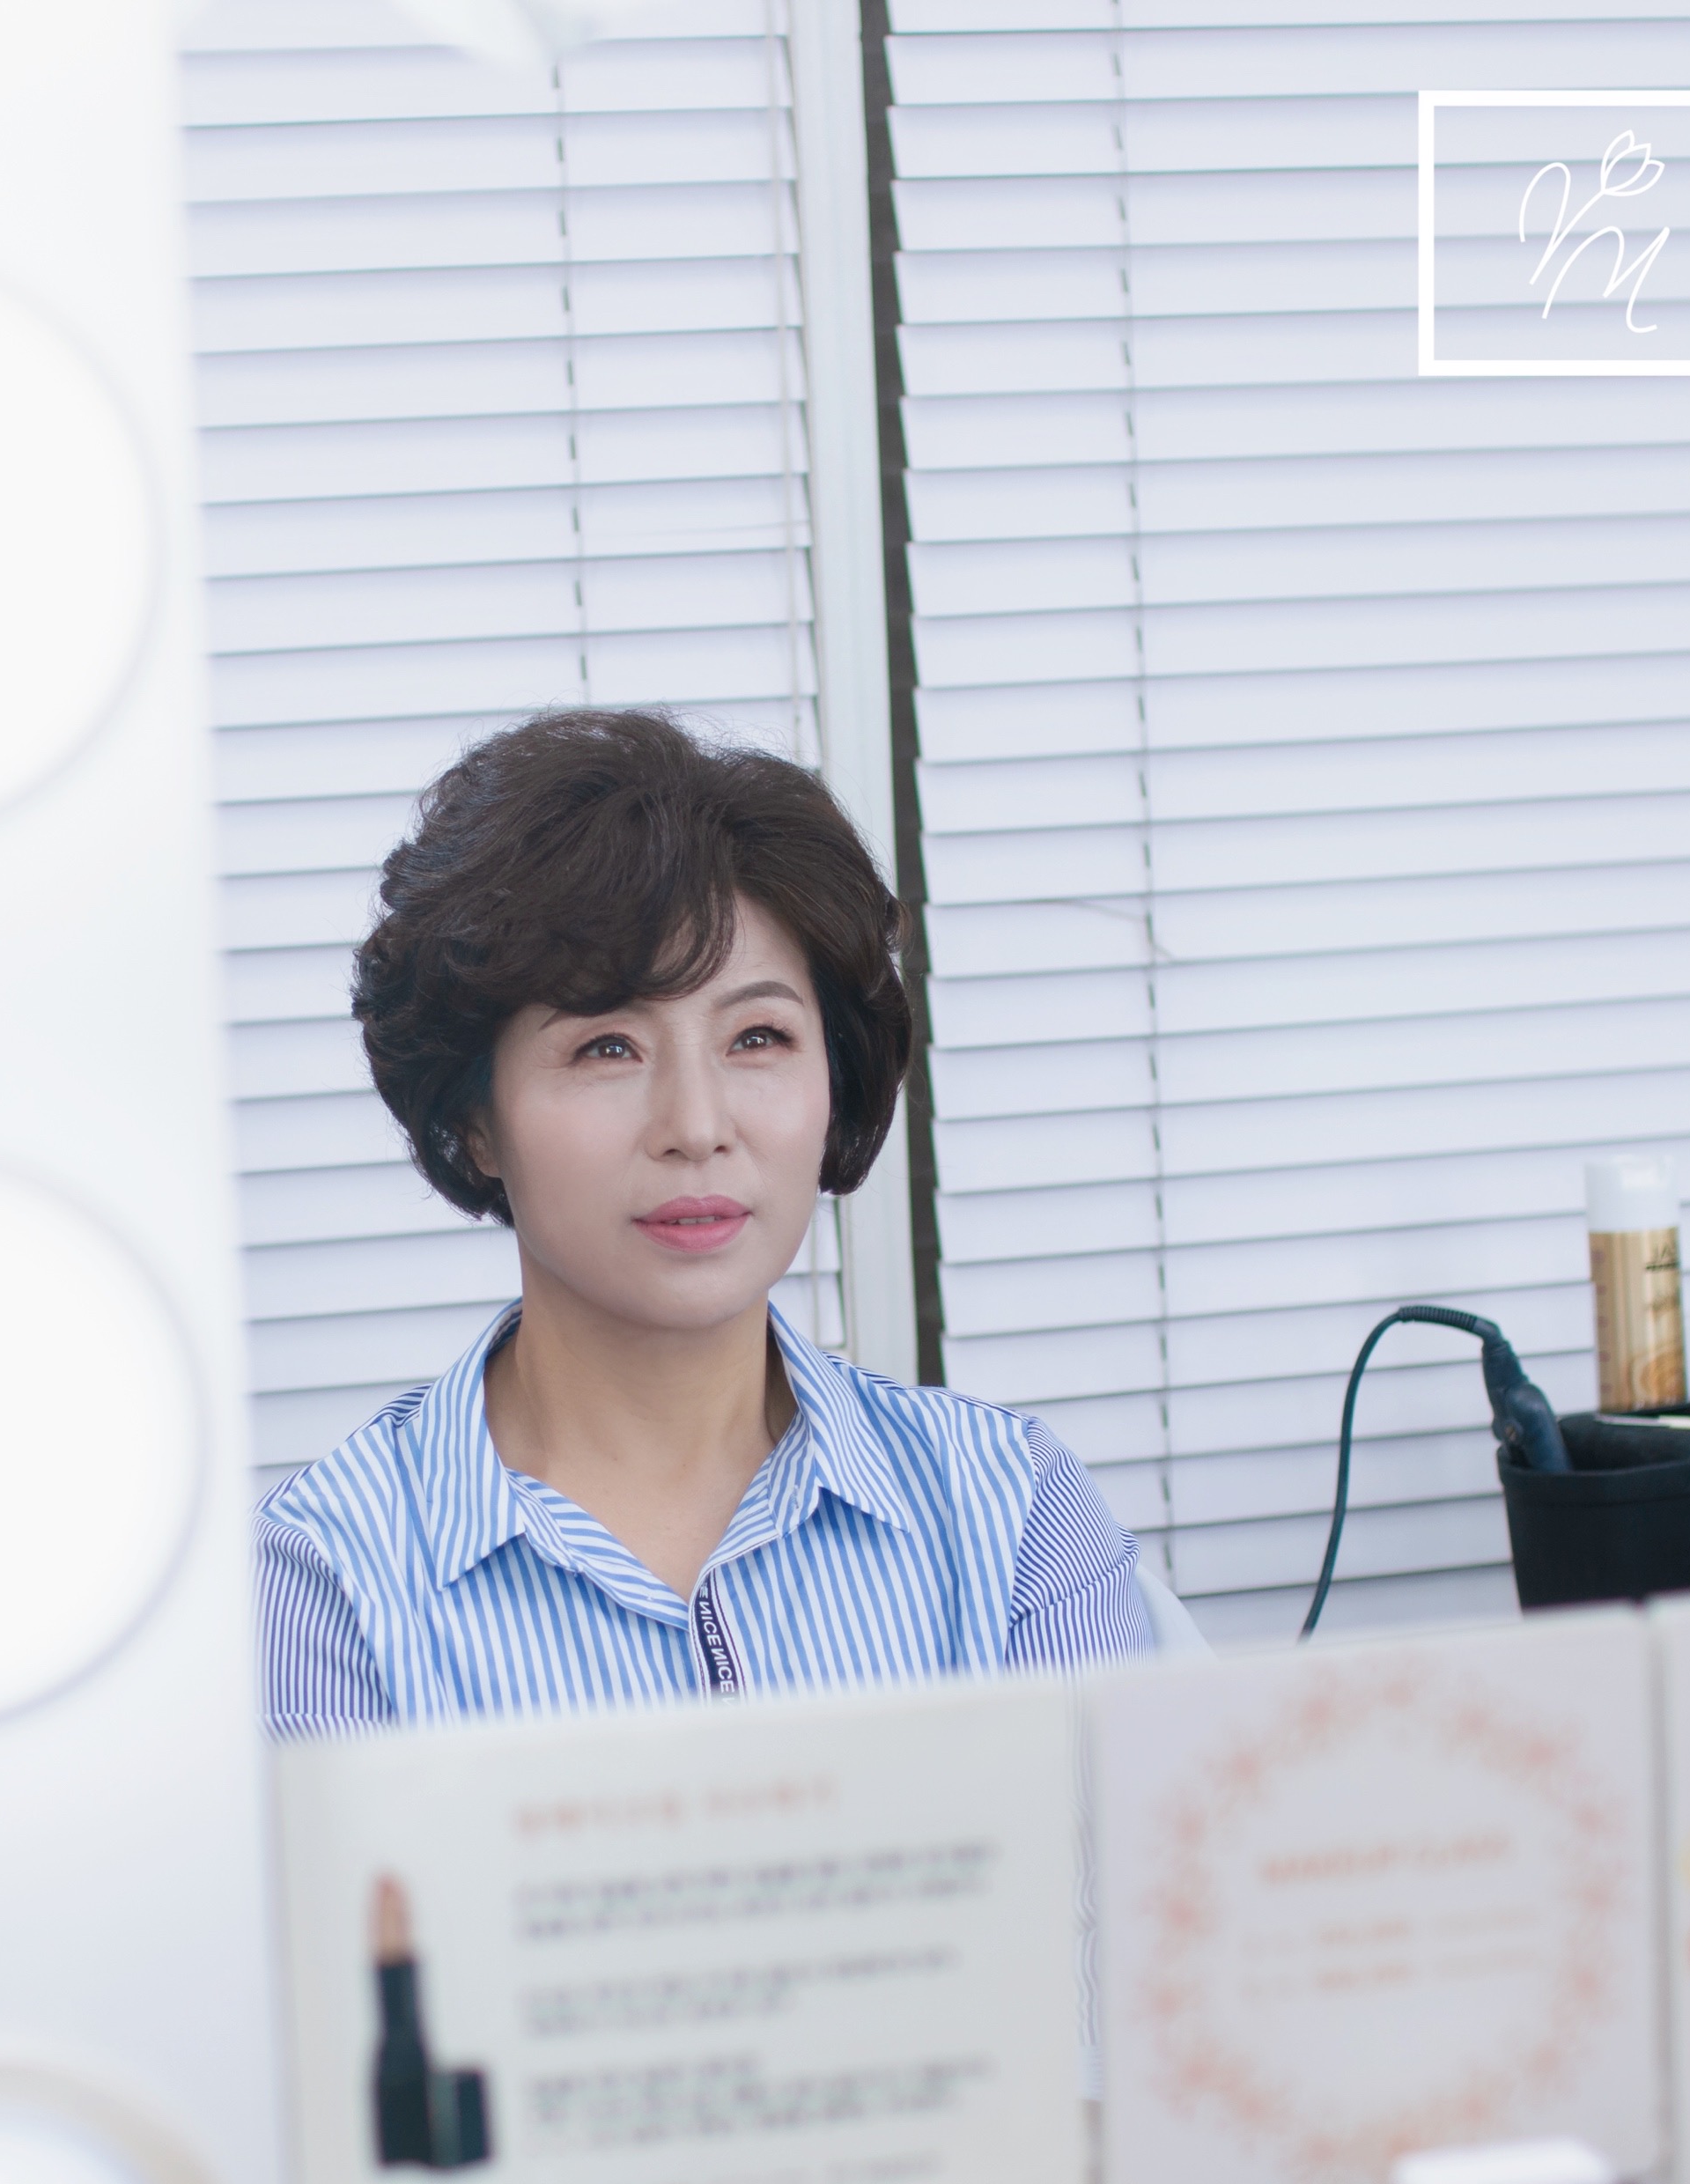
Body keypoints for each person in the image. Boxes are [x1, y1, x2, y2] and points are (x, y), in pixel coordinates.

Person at [258, 709, 1153, 1733]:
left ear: (835, 1080)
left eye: (757, 1036)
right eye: (605, 1048)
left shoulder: (1011, 1515)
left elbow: (1129, 1844)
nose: (695, 1126)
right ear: (475, 1119)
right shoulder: (325, 1579)